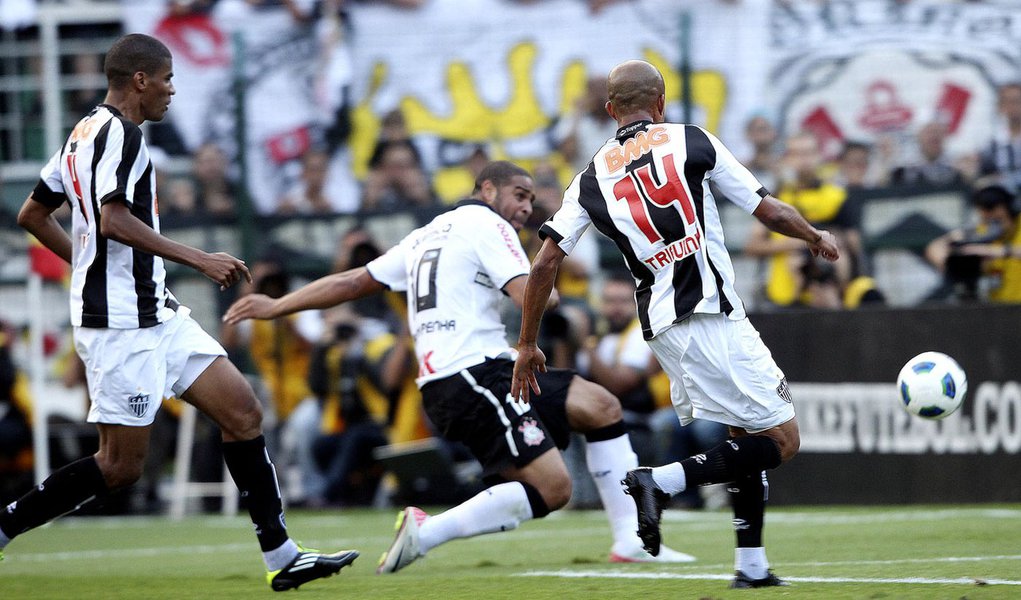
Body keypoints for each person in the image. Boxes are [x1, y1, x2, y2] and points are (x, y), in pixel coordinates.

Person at [224, 160, 695, 572]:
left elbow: (351, 281)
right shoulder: (488, 226)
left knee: (600, 405)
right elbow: (532, 294)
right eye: (519, 195)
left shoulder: (427, 233)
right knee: (553, 489)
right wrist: (555, 285)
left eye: (532, 199)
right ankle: (427, 531)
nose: (527, 207)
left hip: (470, 373)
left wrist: (277, 305)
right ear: (487, 190)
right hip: (475, 374)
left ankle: (632, 541)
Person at [9, 33, 357, 591]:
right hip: (119, 325)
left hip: (157, 313)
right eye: (167, 78)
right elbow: (112, 219)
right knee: (120, 467)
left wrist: (90, 266)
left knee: (241, 411)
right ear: (140, 80)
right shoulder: (120, 134)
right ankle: (5, 526)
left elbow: (33, 212)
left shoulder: (82, 133)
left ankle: (282, 555)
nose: (173, 90)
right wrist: (199, 258)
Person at [511, 60, 840, 589]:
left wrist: (526, 342)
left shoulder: (591, 176)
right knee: (781, 439)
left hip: (662, 326)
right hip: (710, 312)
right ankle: (660, 481)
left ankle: (751, 567)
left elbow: (546, 261)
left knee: (743, 435)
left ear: (610, 110)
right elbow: (766, 210)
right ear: (661, 102)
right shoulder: (692, 140)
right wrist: (812, 235)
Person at [925, 184, 1021, 303]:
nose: (990, 219)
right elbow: (935, 247)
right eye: (985, 214)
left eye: (992, 209)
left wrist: (995, 251)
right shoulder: (982, 231)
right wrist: (952, 265)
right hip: (1001, 309)